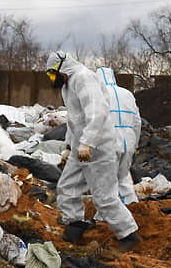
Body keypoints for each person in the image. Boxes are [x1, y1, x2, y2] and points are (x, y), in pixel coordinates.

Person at [46, 51, 140, 250]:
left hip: (98, 147)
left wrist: (87, 142)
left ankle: (129, 235)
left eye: (52, 73)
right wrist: (70, 147)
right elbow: (75, 120)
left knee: (104, 196)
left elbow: (97, 113)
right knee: (67, 186)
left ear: (62, 67)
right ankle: (75, 225)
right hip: (81, 148)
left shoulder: (84, 78)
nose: (52, 78)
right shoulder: (68, 84)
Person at [97, 66, 142, 205]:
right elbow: (137, 122)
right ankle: (133, 207)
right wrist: (135, 145)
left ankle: (108, 214)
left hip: (108, 144)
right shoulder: (127, 94)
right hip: (128, 143)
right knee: (123, 179)